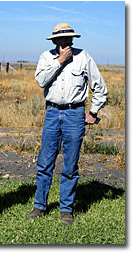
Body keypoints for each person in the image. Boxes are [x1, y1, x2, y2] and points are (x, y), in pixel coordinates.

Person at [28, 22, 107, 225]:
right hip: (52, 112)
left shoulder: (84, 57)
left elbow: (99, 87)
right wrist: (60, 61)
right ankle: (40, 206)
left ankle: (66, 209)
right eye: (61, 38)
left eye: (68, 38)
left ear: (73, 39)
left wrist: (93, 111)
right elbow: (41, 81)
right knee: (45, 162)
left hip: (75, 114)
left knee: (70, 165)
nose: (66, 41)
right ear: (54, 40)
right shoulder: (46, 57)